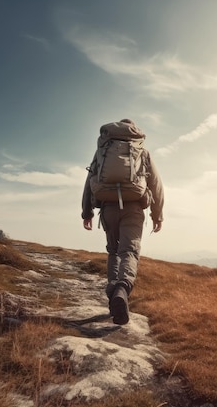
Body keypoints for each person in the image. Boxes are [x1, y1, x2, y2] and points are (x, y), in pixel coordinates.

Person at [81, 119, 164, 325]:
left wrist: (87, 212)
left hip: (108, 207)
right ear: (134, 132)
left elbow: (89, 180)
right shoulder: (141, 150)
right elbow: (155, 183)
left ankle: (113, 294)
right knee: (129, 251)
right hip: (134, 207)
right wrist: (157, 214)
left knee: (113, 251)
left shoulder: (103, 148)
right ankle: (122, 288)